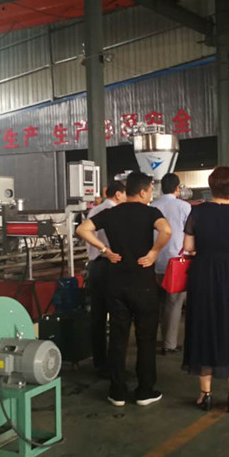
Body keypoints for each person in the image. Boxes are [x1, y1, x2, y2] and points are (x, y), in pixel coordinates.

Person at [76, 172, 172, 408]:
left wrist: (104, 250)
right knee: (146, 338)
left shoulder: (110, 213)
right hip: (143, 284)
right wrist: (154, 252)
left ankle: (117, 392)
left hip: (116, 283)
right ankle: (144, 391)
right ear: (143, 191)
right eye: (150, 190)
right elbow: (167, 231)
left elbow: (82, 229)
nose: (151, 195)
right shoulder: (151, 213)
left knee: (118, 338)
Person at [182, 166, 229, 413]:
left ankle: (204, 394)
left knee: (203, 325)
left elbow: (188, 247)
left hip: (203, 272)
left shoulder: (196, 212)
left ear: (211, 187)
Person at [85, 181, 126, 378]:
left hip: (95, 267)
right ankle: (115, 366)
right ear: (118, 194)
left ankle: (99, 363)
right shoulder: (115, 213)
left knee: (98, 317)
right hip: (111, 265)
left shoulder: (94, 211)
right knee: (118, 316)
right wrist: (106, 250)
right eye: (125, 194)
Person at [150, 173, 191, 355]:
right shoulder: (184, 207)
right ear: (177, 188)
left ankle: (159, 338)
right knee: (174, 302)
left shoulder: (153, 206)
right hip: (176, 262)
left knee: (159, 302)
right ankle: (169, 344)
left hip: (155, 260)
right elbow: (191, 232)